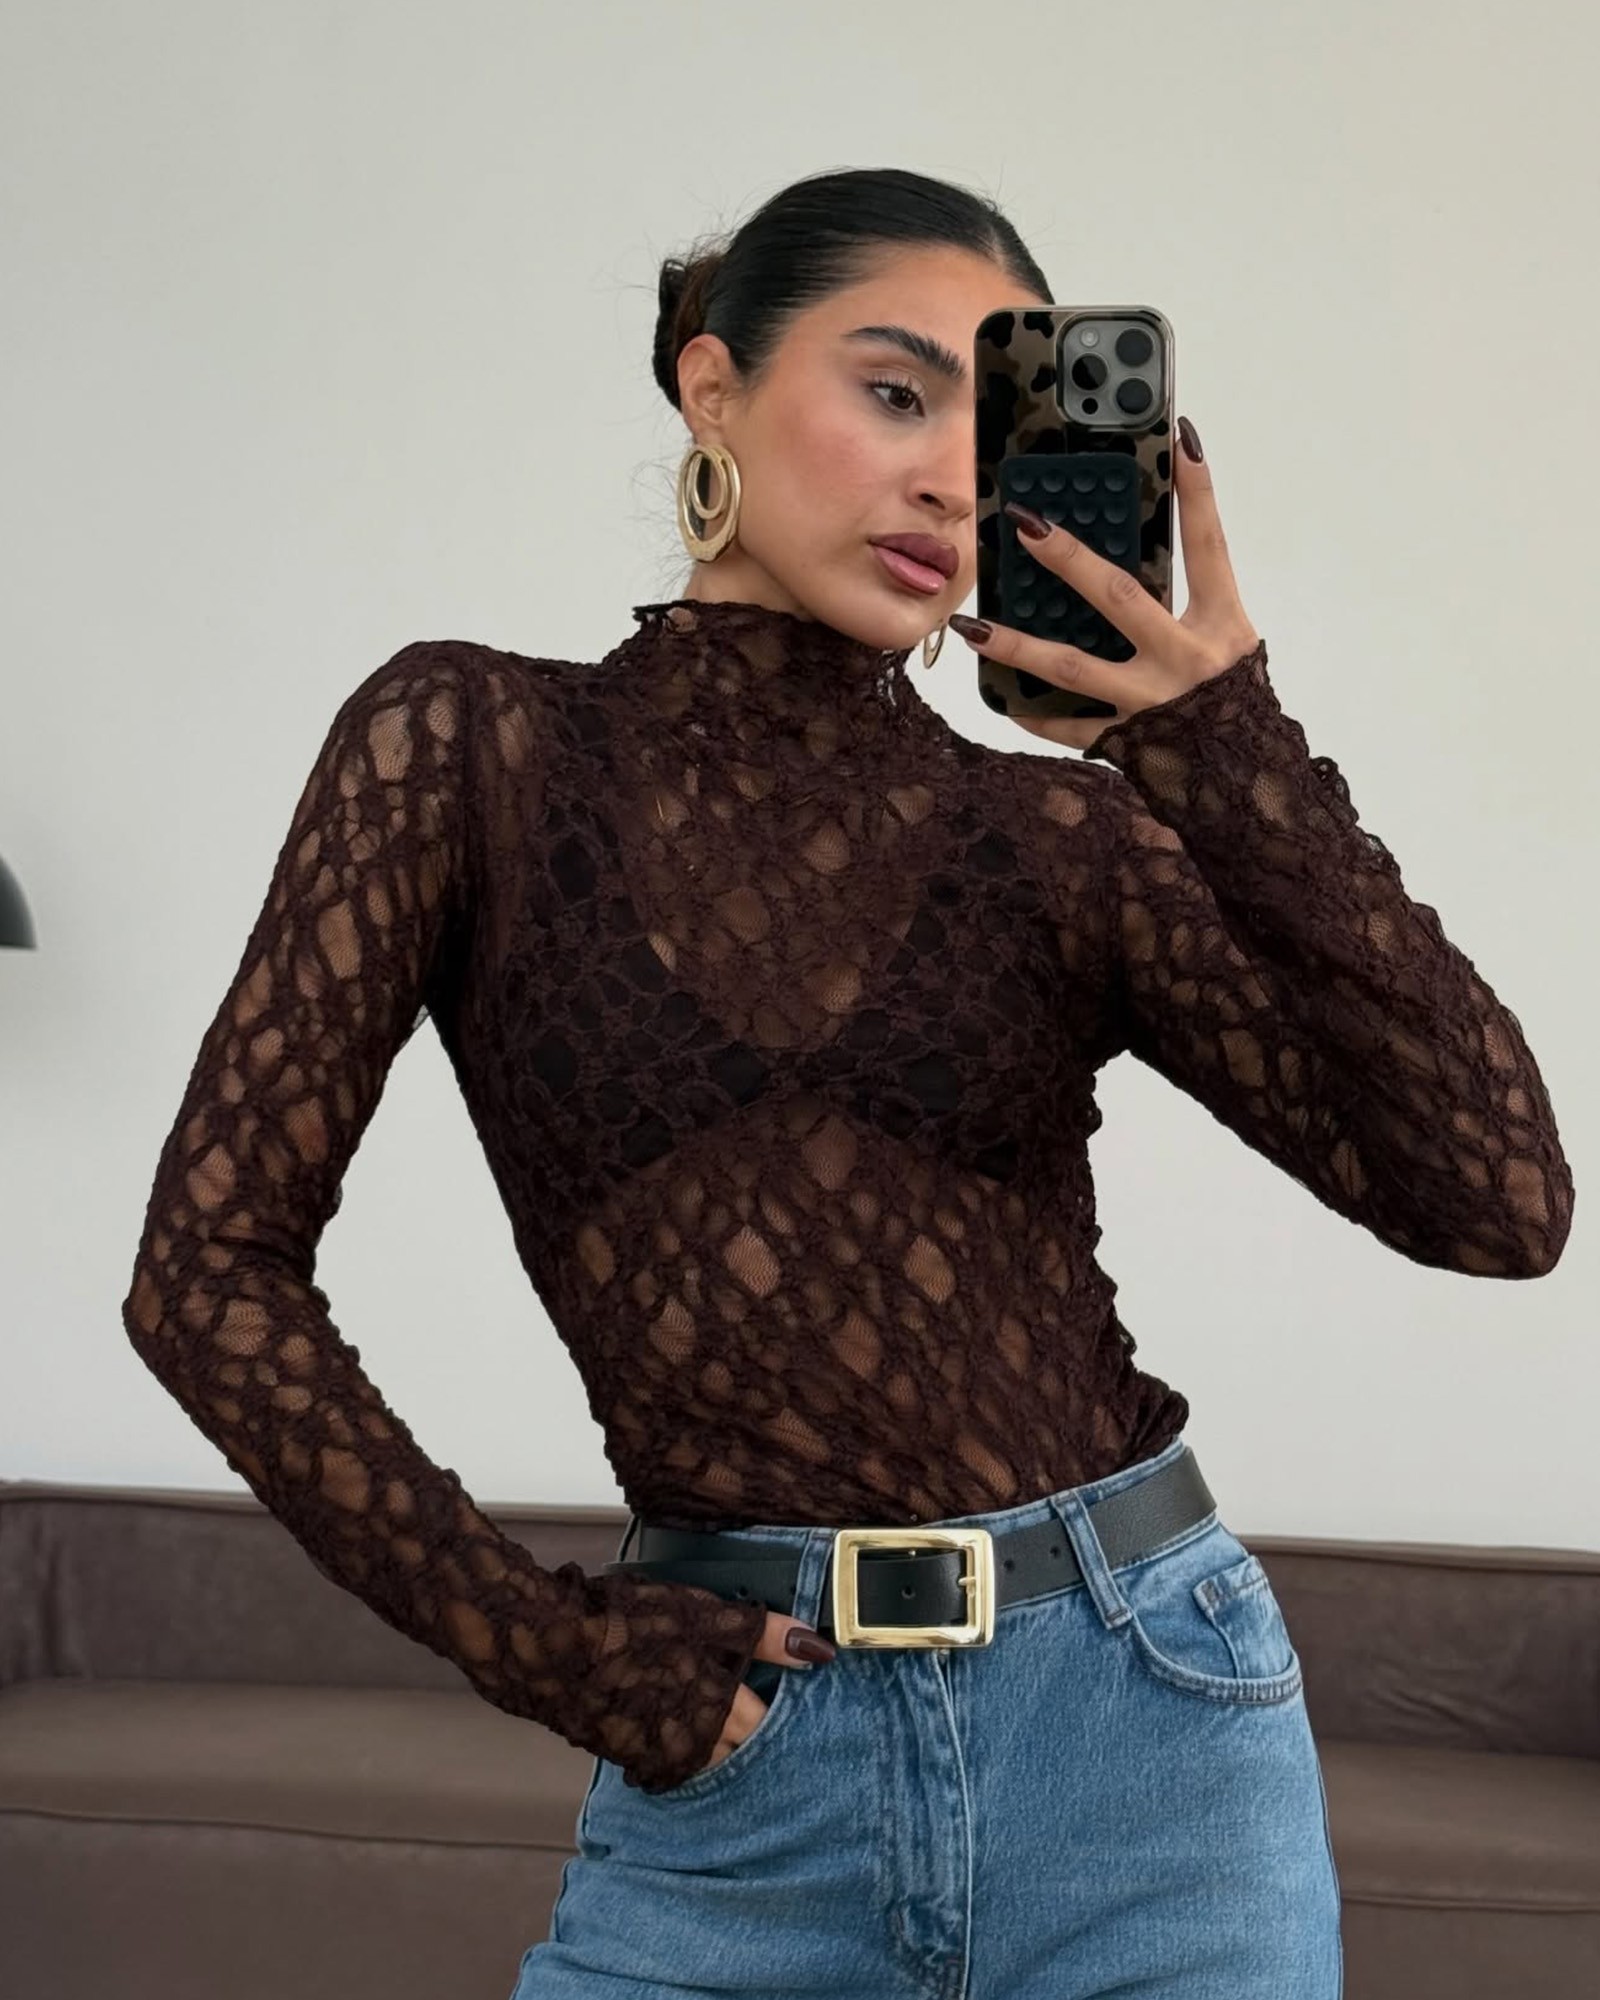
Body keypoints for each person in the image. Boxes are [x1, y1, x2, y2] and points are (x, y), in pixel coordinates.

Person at [121, 167, 1572, 1999]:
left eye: (996, 432)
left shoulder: (1059, 838)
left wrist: (1218, 743)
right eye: (896, 393)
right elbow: (206, 1273)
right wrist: (563, 1654)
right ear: (712, 386)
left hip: (1149, 1744)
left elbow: (1497, 1206)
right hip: (739, 1793)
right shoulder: (469, 747)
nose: (955, 482)